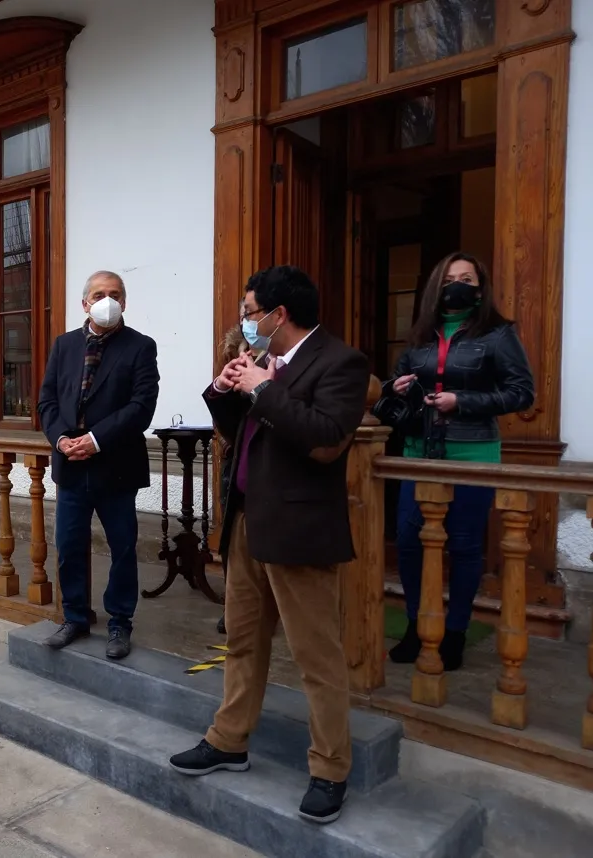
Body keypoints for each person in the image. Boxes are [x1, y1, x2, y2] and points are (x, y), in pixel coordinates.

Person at [169, 266, 369, 825]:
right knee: (242, 642)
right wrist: (229, 388)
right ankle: (228, 739)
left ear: (280, 315)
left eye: (250, 312)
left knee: (316, 658)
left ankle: (331, 769)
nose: (244, 322)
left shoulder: (340, 363)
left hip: (299, 530)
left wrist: (263, 388)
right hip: (247, 522)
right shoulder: (263, 363)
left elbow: (326, 440)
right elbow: (240, 434)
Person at [385, 252, 534, 671]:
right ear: (437, 285)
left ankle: (455, 632)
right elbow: (395, 382)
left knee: (466, 546)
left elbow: (522, 392)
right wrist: (396, 386)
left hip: (473, 454)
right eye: (450, 278)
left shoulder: (499, 334)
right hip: (418, 453)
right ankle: (416, 625)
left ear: (479, 287)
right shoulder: (419, 335)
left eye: (466, 278)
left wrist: (461, 401)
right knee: (410, 542)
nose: (458, 284)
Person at [36, 270, 160, 660]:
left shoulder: (140, 347)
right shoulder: (64, 345)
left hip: (116, 466)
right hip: (70, 465)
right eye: (99, 294)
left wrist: (95, 440)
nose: (107, 300)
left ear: (125, 301)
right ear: (85, 303)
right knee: (69, 546)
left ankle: (119, 623)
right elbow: (47, 401)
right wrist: (61, 440)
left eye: (115, 293)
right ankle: (74, 616)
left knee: (122, 548)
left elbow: (141, 407)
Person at [215, 308, 259, 636]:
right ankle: (234, 604)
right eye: (244, 311)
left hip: (269, 461)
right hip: (236, 459)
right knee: (232, 538)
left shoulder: (284, 356)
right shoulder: (236, 352)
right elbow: (225, 415)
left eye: (254, 310)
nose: (248, 318)